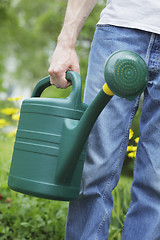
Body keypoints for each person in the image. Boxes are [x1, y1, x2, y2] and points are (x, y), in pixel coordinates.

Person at [48, 0, 160, 239]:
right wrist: (65, 42)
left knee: (157, 181)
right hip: (121, 29)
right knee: (93, 169)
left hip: (119, 33)